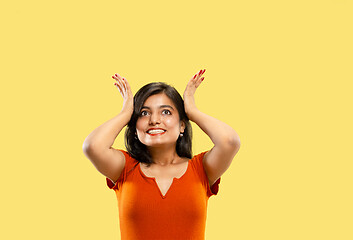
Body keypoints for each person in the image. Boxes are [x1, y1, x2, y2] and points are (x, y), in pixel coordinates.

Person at [82, 69, 241, 240]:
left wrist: (193, 111)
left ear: (182, 125)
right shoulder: (125, 168)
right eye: (144, 113)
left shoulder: (201, 169)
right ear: (135, 126)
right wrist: (126, 113)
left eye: (166, 112)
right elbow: (92, 146)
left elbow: (230, 141)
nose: (154, 120)